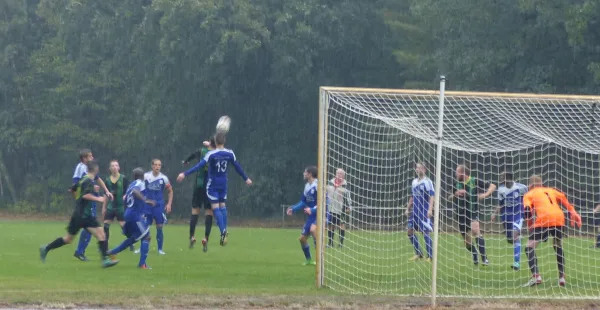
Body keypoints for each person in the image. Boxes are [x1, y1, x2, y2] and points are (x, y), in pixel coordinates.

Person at [177, 132, 252, 246]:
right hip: (223, 184)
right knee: (223, 206)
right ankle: (224, 230)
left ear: (215, 142)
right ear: (224, 141)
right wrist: (246, 178)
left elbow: (199, 166)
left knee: (215, 208)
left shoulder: (211, 154)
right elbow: (237, 167)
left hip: (212, 185)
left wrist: (185, 173)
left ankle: (223, 232)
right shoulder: (230, 153)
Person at [40, 160, 119, 268]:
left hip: (77, 215)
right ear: (96, 170)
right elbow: (85, 196)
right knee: (101, 235)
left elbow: (72, 189)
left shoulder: (83, 179)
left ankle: (46, 248)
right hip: (85, 215)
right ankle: (105, 260)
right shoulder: (89, 181)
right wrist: (99, 199)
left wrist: (78, 200)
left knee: (68, 239)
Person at [522, 175, 582, 287]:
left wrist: (530, 225)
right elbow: (564, 199)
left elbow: (527, 211)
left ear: (530, 186)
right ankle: (562, 278)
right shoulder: (551, 190)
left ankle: (536, 277)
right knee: (557, 245)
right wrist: (573, 212)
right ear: (541, 184)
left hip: (544, 219)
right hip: (559, 218)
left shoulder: (528, 194)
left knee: (529, 247)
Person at [107, 168, 156, 269]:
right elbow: (135, 192)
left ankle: (112, 252)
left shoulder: (131, 184)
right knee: (146, 237)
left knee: (134, 238)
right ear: (142, 176)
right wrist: (145, 200)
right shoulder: (140, 183)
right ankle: (142, 264)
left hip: (128, 214)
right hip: (135, 216)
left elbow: (125, 199)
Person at [449, 164, 496, 266]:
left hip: (472, 212)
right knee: (467, 242)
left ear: (463, 173)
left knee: (475, 230)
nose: (455, 174)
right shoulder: (455, 184)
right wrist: (455, 194)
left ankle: (484, 259)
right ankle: (474, 253)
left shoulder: (475, 181)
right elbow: (450, 197)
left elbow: (493, 185)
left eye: (457, 172)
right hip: (460, 214)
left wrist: (485, 194)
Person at [70, 149, 113, 261]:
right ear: (84, 158)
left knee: (90, 227)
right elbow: (75, 184)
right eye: (90, 156)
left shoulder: (90, 168)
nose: (92, 158)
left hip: (91, 200)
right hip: (86, 201)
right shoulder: (80, 167)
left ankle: (83, 251)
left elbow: (98, 179)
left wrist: (106, 191)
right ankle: (82, 251)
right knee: (90, 226)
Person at [134, 159, 173, 255]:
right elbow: (138, 188)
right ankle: (141, 248)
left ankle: (160, 249)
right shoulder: (146, 176)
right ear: (152, 166)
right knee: (145, 227)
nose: (157, 167)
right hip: (147, 205)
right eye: (155, 165)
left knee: (159, 226)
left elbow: (170, 191)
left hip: (159, 205)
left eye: (159, 165)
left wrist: (169, 204)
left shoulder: (164, 178)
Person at [491, 171, 528, 270]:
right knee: (510, 239)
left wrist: (528, 211)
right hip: (506, 216)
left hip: (518, 215)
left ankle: (517, 263)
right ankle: (517, 239)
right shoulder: (501, 189)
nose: (500, 179)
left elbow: (529, 198)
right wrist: (495, 214)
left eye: (502, 177)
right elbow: (500, 203)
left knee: (514, 236)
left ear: (507, 178)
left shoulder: (521, 187)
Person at [182, 138, 215, 252]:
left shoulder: (202, 151)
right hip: (210, 187)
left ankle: (192, 236)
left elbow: (192, 155)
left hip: (199, 185)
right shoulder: (217, 154)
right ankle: (205, 238)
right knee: (209, 212)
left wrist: (186, 161)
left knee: (195, 211)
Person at [287, 166, 319, 266]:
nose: (303, 173)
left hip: (321, 214)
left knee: (313, 229)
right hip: (312, 216)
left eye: (305, 172)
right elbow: (303, 202)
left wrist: (313, 209)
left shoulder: (318, 185)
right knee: (302, 239)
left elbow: (324, 202)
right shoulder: (307, 186)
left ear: (310, 174)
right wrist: (293, 208)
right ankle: (309, 260)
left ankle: (319, 248)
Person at [405, 162, 434, 262]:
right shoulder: (414, 182)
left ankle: (430, 256)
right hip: (415, 212)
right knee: (409, 231)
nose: (418, 169)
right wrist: (408, 208)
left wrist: (430, 209)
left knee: (425, 233)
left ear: (424, 170)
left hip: (424, 212)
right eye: (417, 168)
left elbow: (432, 196)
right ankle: (419, 254)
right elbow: (412, 196)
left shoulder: (427, 182)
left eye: (420, 168)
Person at [101, 160, 130, 247]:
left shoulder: (123, 178)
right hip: (111, 206)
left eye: (116, 165)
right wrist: (104, 207)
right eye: (112, 166)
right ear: (110, 168)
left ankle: (131, 242)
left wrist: (125, 196)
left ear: (119, 167)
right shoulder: (107, 180)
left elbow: (129, 190)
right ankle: (104, 245)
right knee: (106, 225)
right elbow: (106, 194)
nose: (114, 167)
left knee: (123, 226)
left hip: (120, 206)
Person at [326, 168, 352, 248]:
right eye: (338, 173)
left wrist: (349, 207)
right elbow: (325, 194)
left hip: (341, 209)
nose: (339, 175)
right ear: (335, 174)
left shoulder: (345, 185)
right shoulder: (330, 183)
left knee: (341, 225)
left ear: (344, 176)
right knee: (330, 225)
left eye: (341, 174)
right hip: (331, 208)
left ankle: (341, 243)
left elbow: (348, 197)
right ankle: (330, 243)